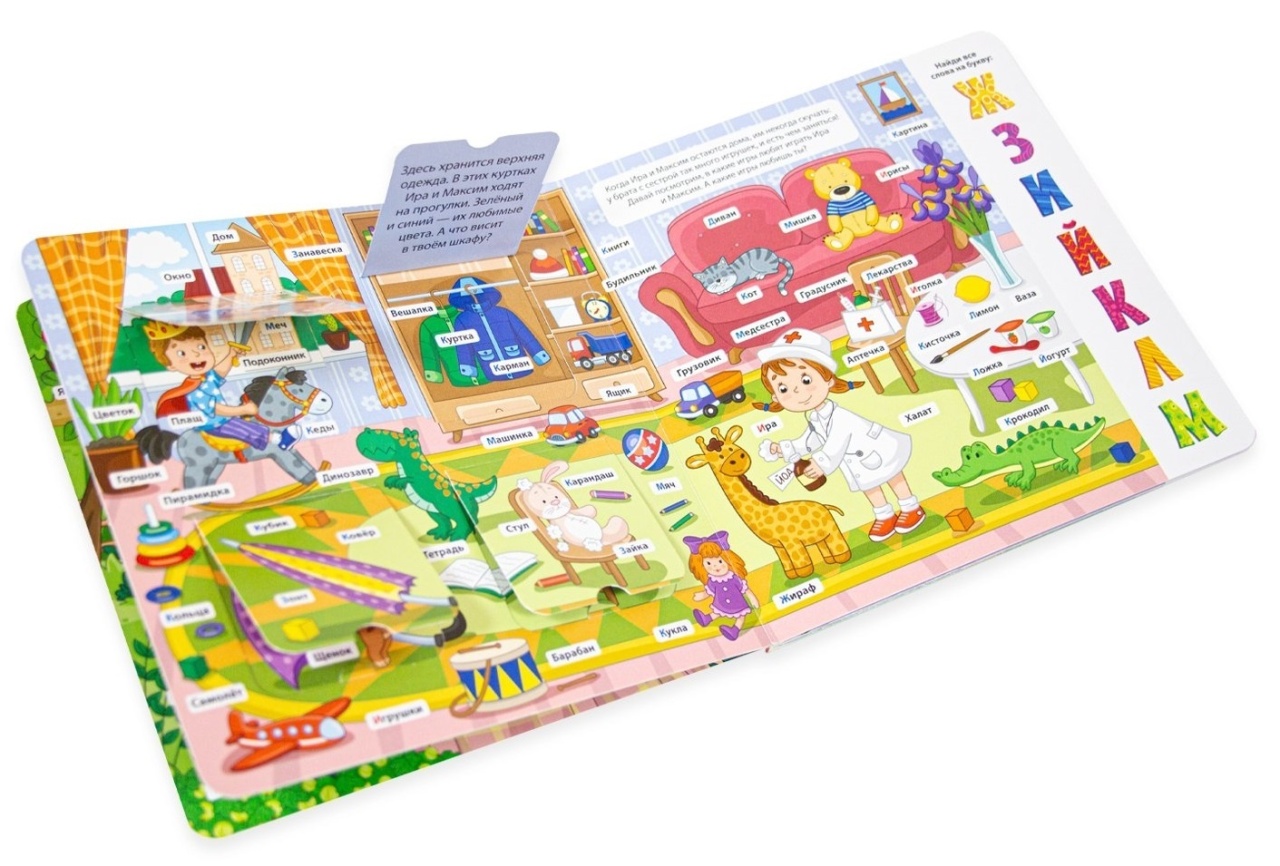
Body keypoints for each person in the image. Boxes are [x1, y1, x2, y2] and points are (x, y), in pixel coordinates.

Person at [755, 328, 924, 542]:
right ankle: (884, 514)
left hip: (877, 447)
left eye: (806, 380)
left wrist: (820, 463)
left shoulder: (840, 416)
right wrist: (785, 448)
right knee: (868, 484)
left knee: (891, 474)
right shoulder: (815, 416)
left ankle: (910, 506)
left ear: (829, 380)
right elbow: (811, 439)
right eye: (783, 389)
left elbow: (837, 441)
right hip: (857, 459)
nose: (797, 392)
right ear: (775, 397)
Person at [145, 321, 291, 450]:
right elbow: (216, 408)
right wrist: (242, 409)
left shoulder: (205, 378)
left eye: (201, 346)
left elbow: (220, 371)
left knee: (241, 423)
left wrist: (230, 355)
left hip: (221, 420)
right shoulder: (193, 390)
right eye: (182, 353)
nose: (197, 354)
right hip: (214, 424)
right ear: (170, 365)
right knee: (241, 428)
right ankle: (279, 441)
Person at [686, 531, 758, 641]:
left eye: (720, 561)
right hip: (721, 602)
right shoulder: (712, 580)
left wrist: (753, 599)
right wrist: (702, 595)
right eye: (708, 563)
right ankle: (707, 619)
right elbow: (709, 591)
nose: (715, 566)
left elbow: (745, 589)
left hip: (738, 603)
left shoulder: (733, 577)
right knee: (718, 611)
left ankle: (735, 630)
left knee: (741, 616)